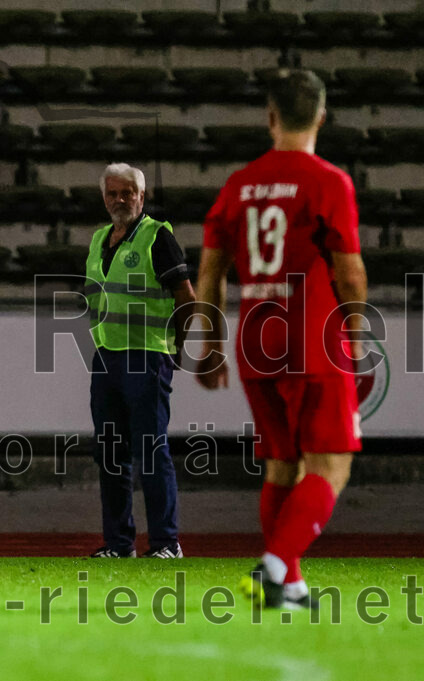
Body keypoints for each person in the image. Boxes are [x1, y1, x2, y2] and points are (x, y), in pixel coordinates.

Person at [196, 69, 367, 609]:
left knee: (281, 466)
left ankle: (289, 584)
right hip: (313, 336)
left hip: (255, 337)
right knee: (331, 465)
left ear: (271, 117)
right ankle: (272, 568)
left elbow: (210, 273)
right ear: (321, 117)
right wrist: (358, 338)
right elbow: (350, 272)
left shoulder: (238, 185)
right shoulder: (329, 181)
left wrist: (211, 345)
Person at [85, 163, 194, 559]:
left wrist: (175, 346)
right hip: (107, 357)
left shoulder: (157, 236)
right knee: (110, 454)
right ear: (104, 198)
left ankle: (166, 542)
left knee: (150, 451)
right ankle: (119, 543)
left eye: (128, 193)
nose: (120, 199)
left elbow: (187, 298)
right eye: (113, 193)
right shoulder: (98, 240)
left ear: (141, 197)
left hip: (146, 356)